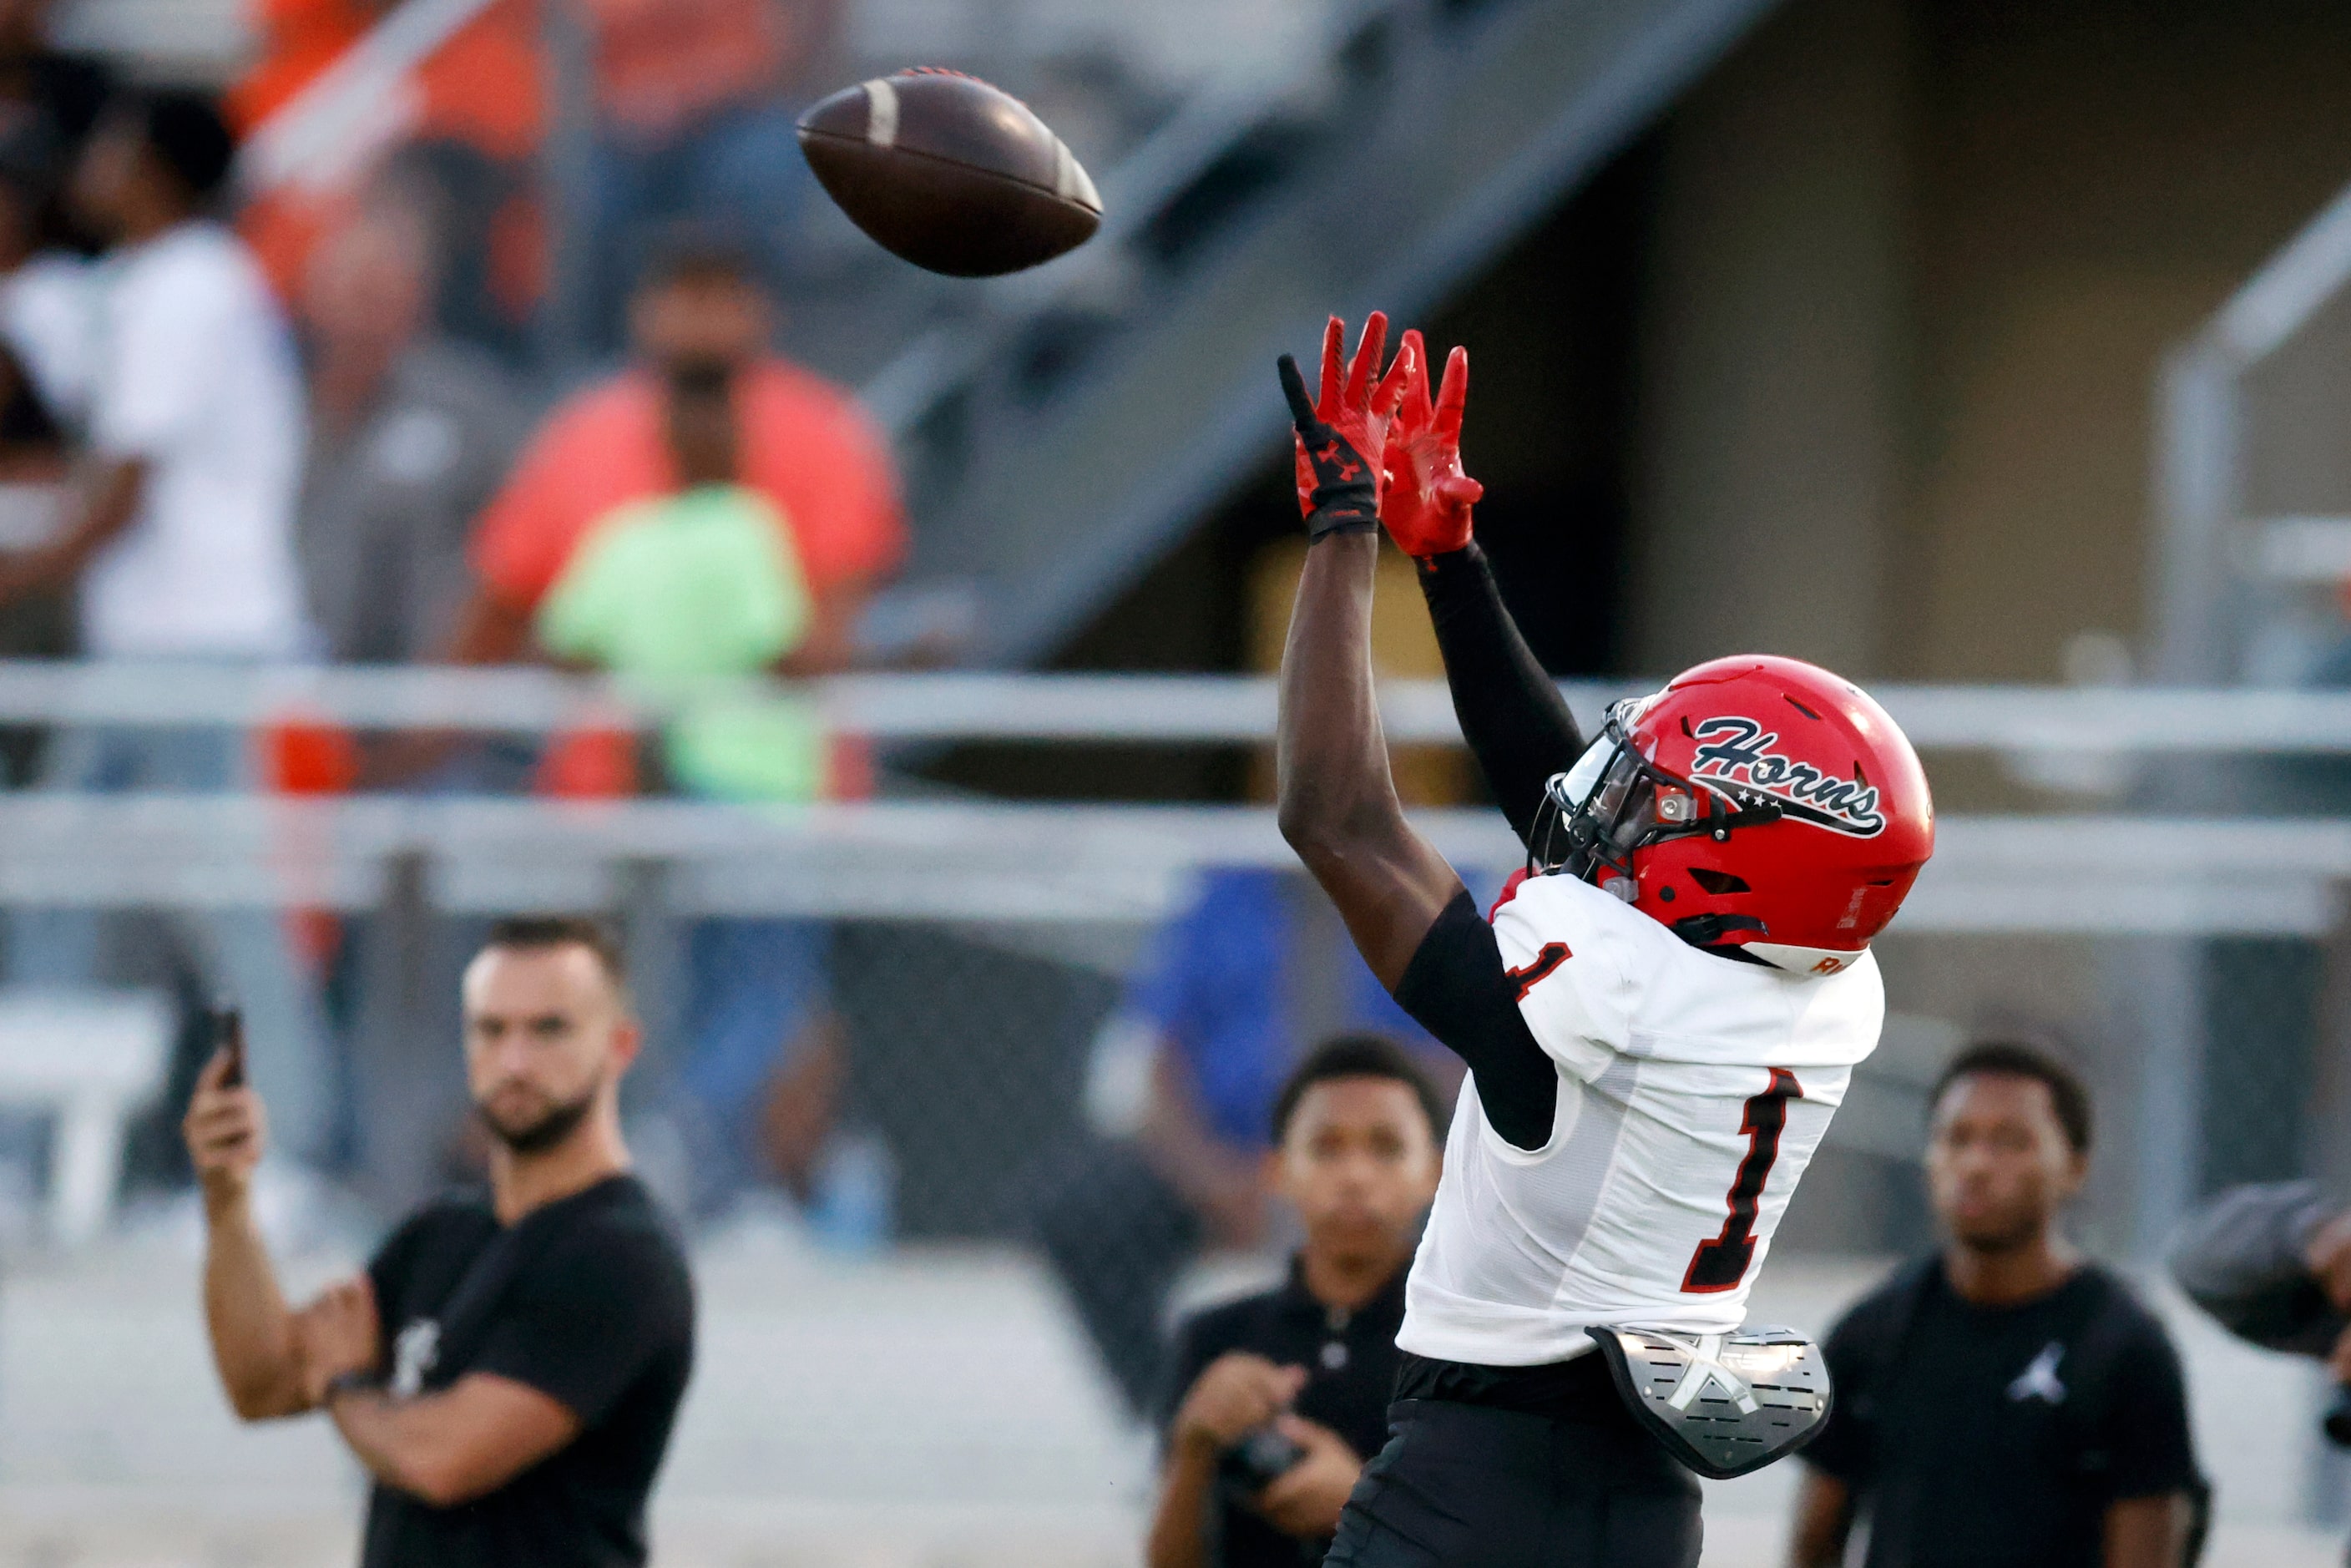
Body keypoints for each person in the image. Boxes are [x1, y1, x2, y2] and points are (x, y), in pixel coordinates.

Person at [1268, 315, 1935, 1567]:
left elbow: (1336, 816)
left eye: (1664, 798)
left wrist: (1342, 533)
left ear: (1729, 854)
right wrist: (1450, 559)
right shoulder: (1804, 982)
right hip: (1644, 1504)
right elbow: (1566, 805)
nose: (1615, 796)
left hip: (1471, 1490)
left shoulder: (1596, 1009)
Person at [0, 89, 331, 1167]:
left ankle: (291, 1158)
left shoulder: (194, 283)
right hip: (143, 648)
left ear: (156, 168)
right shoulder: (135, 285)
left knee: (230, 911)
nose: (91, 161)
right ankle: (30, 1151)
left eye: (112, 143)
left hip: (201, 644)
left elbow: (124, 492)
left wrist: (21, 572)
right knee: (61, 888)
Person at [184, 915, 696, 1568]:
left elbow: (442, 1461)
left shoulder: (623, 1256)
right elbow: (261, 1383)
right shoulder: (440, 1237)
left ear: (620, 1046)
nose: (514, 1060)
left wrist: (344, 1384)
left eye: (549, 1029)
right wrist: (228, 1201)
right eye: (492, 1029)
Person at [1031, 865, 1454, 1421]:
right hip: (1231, 1162)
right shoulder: (1225, 891)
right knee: (1085, 1207)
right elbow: (1159, 1052)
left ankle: (1410, 1423)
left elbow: (1467, 1062)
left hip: (1388, 1164)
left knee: (1457, 1234)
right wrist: (1214, 1179)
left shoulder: (1435, 887)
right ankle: (1178, 1423)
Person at [1788, 1041, 2202, 1568]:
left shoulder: (2124, 1348)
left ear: (2074, 1168)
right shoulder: (1874, 1332)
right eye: (1956, 1138)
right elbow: (1813, 1545)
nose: (1977, 1164)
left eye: (2011, 1141)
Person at [1149, 1034, 1445, 1568]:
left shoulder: (1467, 1351)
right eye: (1327, 1147)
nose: (1355, 1176)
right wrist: (1194, 1446)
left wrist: (1362, 1511)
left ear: (1436, 1173)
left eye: (1386, 1147)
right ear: (1277, 1170)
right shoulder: (1216, 1338)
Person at [296, 178, 528, 666]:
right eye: (355, 292)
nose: (365, 316)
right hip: (296, 681)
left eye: (384, 292)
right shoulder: (280, 412)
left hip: (435, 694)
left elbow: (524, 539)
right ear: (315, 299)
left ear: (417, 300)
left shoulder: (471, 406)